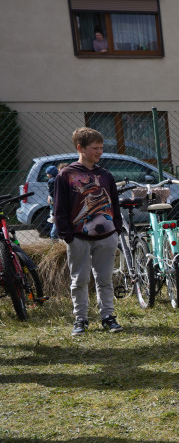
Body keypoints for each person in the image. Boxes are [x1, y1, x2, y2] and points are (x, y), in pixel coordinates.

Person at [53, 127, 124, 335]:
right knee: (80, 280)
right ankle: (81, 319)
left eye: (101, 147)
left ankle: (108, 317)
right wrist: (68, 236)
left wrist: (116, 229)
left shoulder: (105, 175)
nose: (99, 152)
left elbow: (114, 203)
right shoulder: (65, 175)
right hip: (78, 238)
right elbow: (59, 208)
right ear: (80, 148)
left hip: (107, 237)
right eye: (95, 148)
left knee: (105, 279)